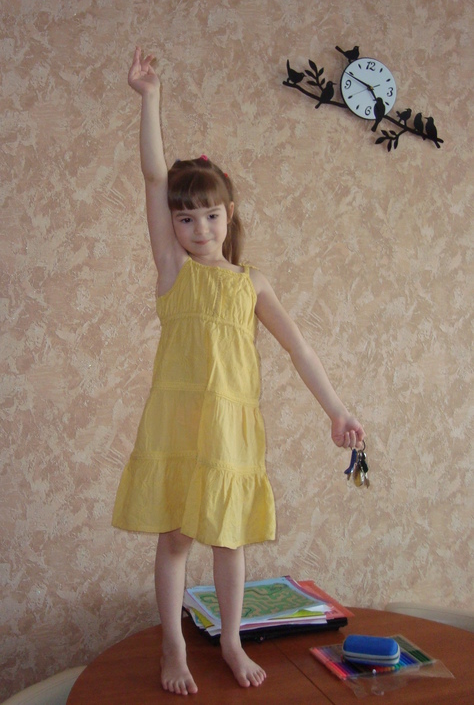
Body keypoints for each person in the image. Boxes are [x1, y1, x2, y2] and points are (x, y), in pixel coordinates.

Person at [112, 47, 365, 696]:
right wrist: (150, 99)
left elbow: (300, 350)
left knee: (229, 539)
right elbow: (152, 177)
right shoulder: (174, 271)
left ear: (230, 216)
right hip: (178, 423)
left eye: (211, 215)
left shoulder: (252, 283)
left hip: (230, 428)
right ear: (173, 224)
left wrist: (337, 410)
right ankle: (174, 646)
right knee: (176, 537)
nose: (199, 227)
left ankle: (230, 640)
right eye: (185, 217)